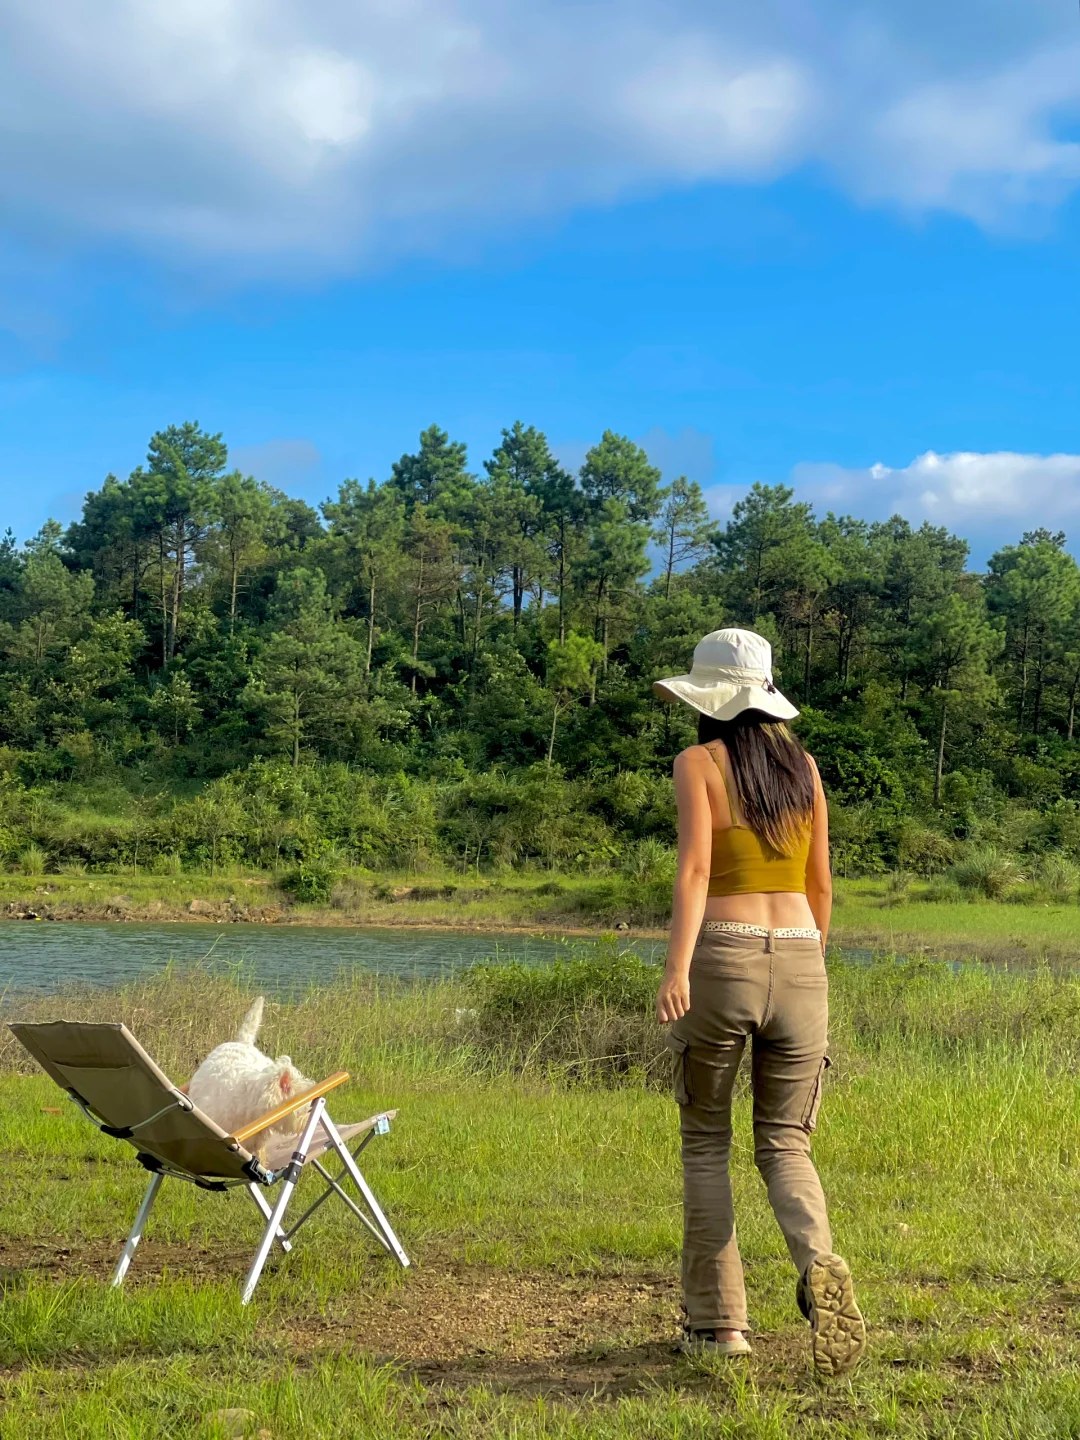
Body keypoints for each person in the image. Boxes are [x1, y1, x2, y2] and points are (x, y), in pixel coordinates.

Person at [652, 627, 865, 1376]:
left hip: (724, 953)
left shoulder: (697, 764)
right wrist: (808, 963)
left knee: (706, 1141)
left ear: (708, 699)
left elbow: (695, 871)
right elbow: (821, 885)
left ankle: (720, 1327)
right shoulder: (805, 768)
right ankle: (818, 1262)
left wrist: (677, 967)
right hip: (804, 960)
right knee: (785, 1142)